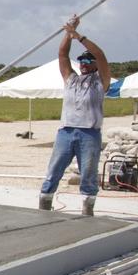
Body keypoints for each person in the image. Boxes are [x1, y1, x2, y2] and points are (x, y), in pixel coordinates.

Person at [38, 16, 111, 216]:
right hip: (66, 131)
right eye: (81, 61)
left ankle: (87, 210)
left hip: (89, 134)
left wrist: (80, 37)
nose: (84, 64)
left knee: (88, 173)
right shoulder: (71, 79)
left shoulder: (100, 81)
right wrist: (68, 34)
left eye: (88, 60)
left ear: (95, 64)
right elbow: (62, 54)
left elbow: (101, 56)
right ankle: (44, 203)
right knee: (54, 170)